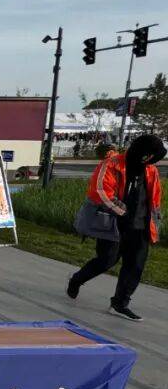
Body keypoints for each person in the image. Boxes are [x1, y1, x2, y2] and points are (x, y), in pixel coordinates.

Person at [69, 133, 165, 321]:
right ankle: (77, 279)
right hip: (113, 224)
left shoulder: (151, 170)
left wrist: (154, 222)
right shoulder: (111, 165)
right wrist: (122, 212)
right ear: (143, 153)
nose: (152, 161)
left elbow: (154, 198)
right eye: (151, 157)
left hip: (140, 226)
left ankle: (120, 303)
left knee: (135, 265)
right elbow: (100, 191)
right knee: (107, 260)